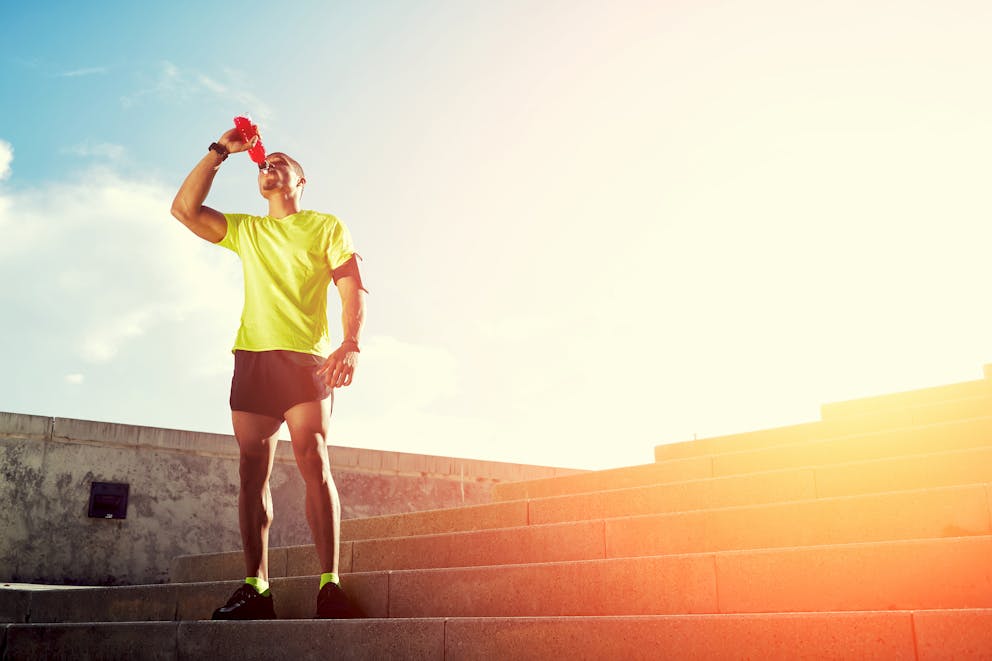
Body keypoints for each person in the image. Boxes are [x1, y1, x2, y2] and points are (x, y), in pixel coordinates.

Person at [170, 125, 366, 620]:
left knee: (312, 457)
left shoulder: (326, 226)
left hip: (305, 360)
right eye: (264, 163)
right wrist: (219, 152)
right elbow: (184, 211)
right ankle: (256, 588)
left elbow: (351, 286)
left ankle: (330, 584)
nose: (269, 166)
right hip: (252, 359)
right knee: (250, 472)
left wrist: (351, 343)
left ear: (301, 181)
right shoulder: (247, 230)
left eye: (280, 163)